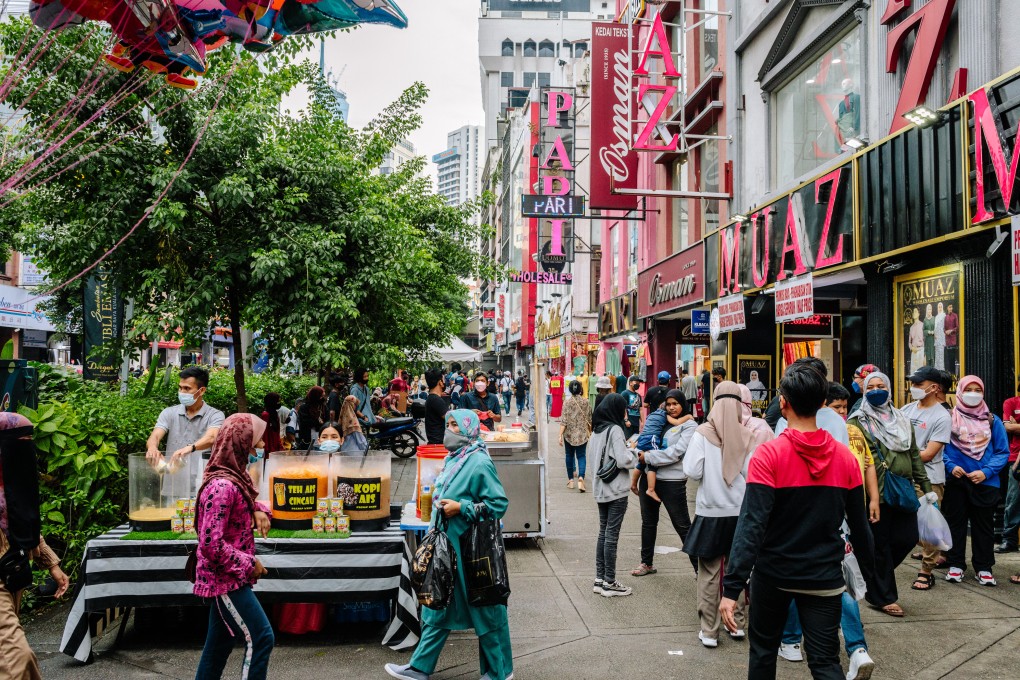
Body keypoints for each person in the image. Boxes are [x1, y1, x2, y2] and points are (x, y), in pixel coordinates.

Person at [719, 363, 877, 680]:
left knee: (763, 656)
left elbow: (751, 526)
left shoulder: (768, 456)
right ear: (822, 404)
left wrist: (731, 587)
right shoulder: (846, 459)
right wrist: (873, 579)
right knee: (825, 662)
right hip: (825, 577)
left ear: (783, 403)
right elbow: (860, 527)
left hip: (773, 576)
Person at [384, 410, 511, 680]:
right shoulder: (456, 458)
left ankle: (500, 672)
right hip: (446, 548)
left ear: (469, 428)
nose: (449, 430)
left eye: (455, 425)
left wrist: (460, 507)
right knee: (436, 605)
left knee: (486, 610)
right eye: (448, 424)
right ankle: (419, 667)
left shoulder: (478, 462)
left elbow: (498, 505)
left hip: (471, 552)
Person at [776, 380, 879, 674]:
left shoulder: (786, 428)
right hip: (836, 517)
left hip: (797, 521)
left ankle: (793, 641)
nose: (842, 411)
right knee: (838, 583)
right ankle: (857, 648)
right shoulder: (842, 431)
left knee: (795, 583)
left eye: (845, 407)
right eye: (839, 405)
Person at [193, 413, 274, 680]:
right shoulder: (221, 486)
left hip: (230, 576)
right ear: (241, 442)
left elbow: (246, 496)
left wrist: (259, 508)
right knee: (261, 637)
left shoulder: (234, 477)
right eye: (257, 442)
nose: (261, 447)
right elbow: (210, 545)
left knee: (219, 644)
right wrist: (250, 564)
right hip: (225, 580)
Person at [847, 371, 930, 617]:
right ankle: (883, 596)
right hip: (877, 494)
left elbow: (914, 454)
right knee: (880, 545)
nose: (875, 390)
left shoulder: (902, 420)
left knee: (907, 537)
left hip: (903, 491)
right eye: (870, 386)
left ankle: (871, 574)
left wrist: (926, 490)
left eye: (880, 385)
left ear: (890, 388)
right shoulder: (857, 421)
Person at [683, 381, 758, 648]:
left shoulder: (702, 434)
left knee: (709, 573)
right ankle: (736, 624)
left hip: (710, 514)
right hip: (740, 515)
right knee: (737, 570)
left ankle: (709, 630)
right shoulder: (748, 436)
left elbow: (691, 470)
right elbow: (754, 477)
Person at [0, 413, 70, 680]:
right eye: (20, 441)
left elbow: (21, 523)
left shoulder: (12, 484)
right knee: (16, 661)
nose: (26, 447)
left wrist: (51, 563)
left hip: (12, 576)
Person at [942, 375, 1010, 586]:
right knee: (956, 524)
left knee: (984, 527)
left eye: (977, 389)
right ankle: (955, 565)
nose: (973, 393)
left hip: (986, 482)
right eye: (968, 389)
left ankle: (984, 567)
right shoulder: (949, 418)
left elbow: (1002, 451)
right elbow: (940, 448)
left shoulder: (993, 420)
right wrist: (951, 467)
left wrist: (987, 472)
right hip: (957, 481)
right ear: (960, 391)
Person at [631, 390, 698, 578]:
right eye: (668, 404)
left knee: (682, 525)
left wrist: (649, 457)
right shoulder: (661, 420)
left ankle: (700, 568)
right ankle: (646, 563)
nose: (671, 407)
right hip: (649, 477)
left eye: (675, 403)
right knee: (648, 523)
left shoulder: (690, 425)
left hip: (672, 481)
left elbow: (677, 452)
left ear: (683, 404)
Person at [899, 366, 953, 591]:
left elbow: (929, 453)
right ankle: (938, 548)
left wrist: (902, 453)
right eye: (913, 384)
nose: (914, 389)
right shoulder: (907, 409)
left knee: (929, 524)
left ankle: (926, 570)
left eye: (919, 385)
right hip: (903, 475)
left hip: (929, 479)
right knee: (908, 524)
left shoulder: (941, 416)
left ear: (934, 388)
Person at [589, 394, 637, 598]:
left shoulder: (597, 431)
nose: (625, 412)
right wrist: (633, 452)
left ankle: (600, 579)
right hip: (616, 489)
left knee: (603, 532)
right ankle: (610, 582)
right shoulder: (615, 430)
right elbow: (623, 460)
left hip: (600, 488)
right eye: (623, 408)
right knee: (612, 535)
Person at [146, 366, 225, 476]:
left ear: (201, 391)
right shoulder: (169, 412)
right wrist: (152, 448)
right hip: (172, 483)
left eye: (187, 388)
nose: (182, 392)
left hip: (201, 483)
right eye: (180, 388)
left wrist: (190, 448)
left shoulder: (215, 415)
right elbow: (155, 436)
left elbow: (211, 437)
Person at [998, 379, 1020, 555]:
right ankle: (1009, 538)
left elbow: (1013, 427)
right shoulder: (1011, 402)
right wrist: (1011, 427)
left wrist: (1016, 426)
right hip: (1016, 458)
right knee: (1013, 499)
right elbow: (1007, 428)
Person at [559, 380, 592, 493]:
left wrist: (559, 435)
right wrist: (590, 432)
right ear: (580, 389)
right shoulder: (586, 402)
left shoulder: (566, 403)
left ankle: (571, 480)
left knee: (569, 455)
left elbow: (563, 421)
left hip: (569, 434)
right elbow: (589, 419)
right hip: (582, 434)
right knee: (581, 456)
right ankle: (581, 478)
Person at [424, 369, 449, 446]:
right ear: (440, 382)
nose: (444, 382)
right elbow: (450, 418)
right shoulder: (436, 400)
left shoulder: (431, 398)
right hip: (438, 443)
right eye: (443, 379)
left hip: (436, 441)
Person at [908, 307, 925, 374]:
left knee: (921, 372)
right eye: (913, 312)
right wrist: (911, 348)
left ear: (918, 313)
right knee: (914, 372)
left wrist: (925, 356)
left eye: (915, 312)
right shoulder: (911, 327)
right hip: (914, 352)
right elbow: (909, 341)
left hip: (921, 351)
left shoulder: (922, 325)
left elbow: (925, 340)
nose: (913, 313)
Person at [944, 303, 959, 374]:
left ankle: (953, 374)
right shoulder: (946, 317)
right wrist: (945, 331)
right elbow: (944, 328)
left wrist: (951, 330)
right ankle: (949, 373)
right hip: (947, 341)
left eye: (951, 307)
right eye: (949, 307)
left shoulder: (955, 316)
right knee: (948, 359)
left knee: (952, 358)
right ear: (947, 308)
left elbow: (957, 327)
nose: (951, 308)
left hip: (953, 340)